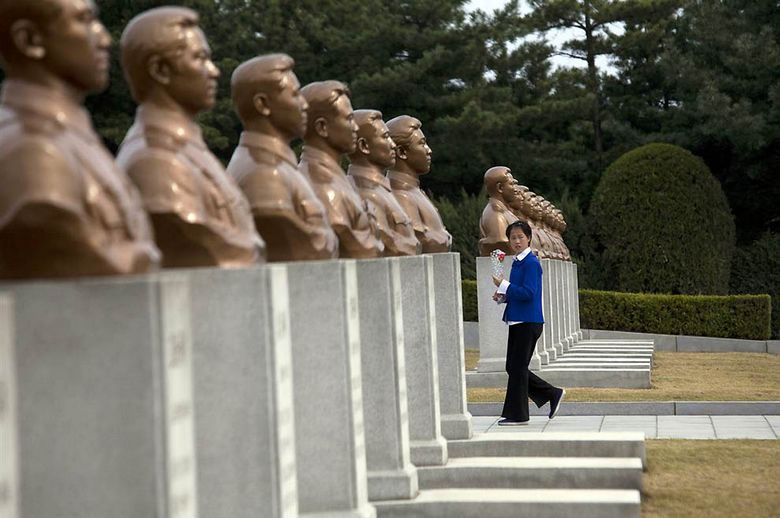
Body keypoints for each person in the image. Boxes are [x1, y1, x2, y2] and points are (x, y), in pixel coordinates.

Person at [0, 0, 160, 279]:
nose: (105, 38)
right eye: (84, 20)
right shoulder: (33, 150)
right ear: (30, 40)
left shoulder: (71, 138)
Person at [117, 6, 265, 267]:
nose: (215, 71)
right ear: (160, 70)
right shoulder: (154, 161)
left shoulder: (188, 150)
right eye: (200, 58)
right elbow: (203, 239)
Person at [226, 54, 338, 261]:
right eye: (295, 95)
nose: (304, 105)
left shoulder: (279, 166)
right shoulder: (265, 174)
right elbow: (312, 248)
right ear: (263, 104)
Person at [492, 220, 565, 425]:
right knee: (513, 367)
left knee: (517, 368)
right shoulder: (518, 262)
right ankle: (552, 394)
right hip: (518, 321)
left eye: (520, 237)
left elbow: (529, 293)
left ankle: (519, 414)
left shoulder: (531, 263)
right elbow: (519, 292)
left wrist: (504, 285)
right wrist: (502, 296)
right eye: (512, 238)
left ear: (529, 238)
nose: (516, 241)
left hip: (528, 322)